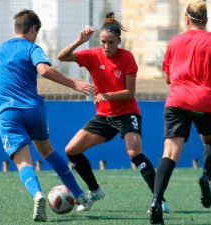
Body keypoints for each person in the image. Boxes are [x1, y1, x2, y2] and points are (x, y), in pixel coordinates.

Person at [0, 9, 95, 222]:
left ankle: (37, 195)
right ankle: (80, 195)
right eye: (37, 32)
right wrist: (74, 83)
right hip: (33, 110)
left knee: (23, 162)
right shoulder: (32, 48)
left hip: (7, 112)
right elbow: (43, 70)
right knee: (48, 151)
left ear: (16, 27)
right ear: (33, 29)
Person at [57, 12, 170, 213]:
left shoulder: (127, 58)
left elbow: (130, 93)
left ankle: (159, 199)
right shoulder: (92, 55)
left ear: (119, 40)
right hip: (103, 116)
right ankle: (95, 190)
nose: (106, 46)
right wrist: (79, 41)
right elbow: (61, 57)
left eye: (110, 42)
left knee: (134, 152)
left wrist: (108, 95)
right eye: (102, 42)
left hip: (127, 113)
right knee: (71, 150)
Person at [149, 1, 211, 224]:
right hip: (205, 101)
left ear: (186, 19)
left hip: (177, 100)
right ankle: (206, 177)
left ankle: (156, 200)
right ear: (206, 20)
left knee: (170, 152)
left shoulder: (174, 42)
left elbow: (167, 77)